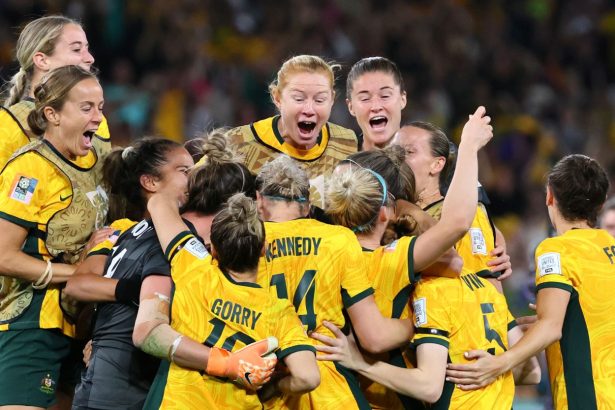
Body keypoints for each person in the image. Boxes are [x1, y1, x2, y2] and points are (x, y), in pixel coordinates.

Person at [313, 107, 540, 409]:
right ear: (386, 209)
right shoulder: (395, 255)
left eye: (407, 151)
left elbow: (530, 371)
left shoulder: (328, 245)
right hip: (401, 389)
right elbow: (378, 338)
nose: (401, 160)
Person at [446, 154, 615, 409]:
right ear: (601, 204)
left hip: (589, 398)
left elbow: (550, 327)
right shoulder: (610, 245)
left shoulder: (556, 250)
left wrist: (498, 364)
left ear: (550, 196)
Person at [253, 154, 415, 409]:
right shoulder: (339, 240)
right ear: (307, 207)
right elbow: (375, 336)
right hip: (333, 387)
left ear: (259, 201)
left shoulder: (244, 243)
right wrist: (419, 323)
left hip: (269, 386)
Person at [142, 191, 320, 409]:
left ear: (213, 250)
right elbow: (308, 377)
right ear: (263, 249)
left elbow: (159, 202)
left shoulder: (194, 266)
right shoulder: (279, 310)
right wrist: (274, 387)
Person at [0, 65, 108, 409]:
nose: (97, 117)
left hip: (83, 326)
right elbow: (3, 256)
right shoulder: (29, 170)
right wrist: (78, 272)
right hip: (32, 325)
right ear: (52, 114)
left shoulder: (98, 158)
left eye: (101, 107)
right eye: (86, 108)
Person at [63, 138, 193, 409]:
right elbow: (77, 284)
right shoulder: (121, 230)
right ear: (150, 182)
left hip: (125, 368)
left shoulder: (187, 232)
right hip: (119, 369)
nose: (194, 179)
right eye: (184, 171)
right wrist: (139, 290)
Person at [391, 121, 512, 291]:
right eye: (394, 152)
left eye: (409, 152)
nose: (397, 158)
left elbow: (488, 292)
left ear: (437, 164)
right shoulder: (389, 214)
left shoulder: (467, 214)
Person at [225, 54, 358, 209]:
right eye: (299, 99)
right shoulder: (239, 143)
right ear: (277, 98)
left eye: (320, 100)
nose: (309, 109)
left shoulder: (346, 142)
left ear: (332, 99)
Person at [0, 15, 111, 169]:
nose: (90, 58)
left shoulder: (97, 118)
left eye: (87, 49)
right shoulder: (7, 125)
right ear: (42, 60)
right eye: (77, 49)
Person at [345, 57, 407, 151]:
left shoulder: (427, 161)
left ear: (402, 99)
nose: (376, 107)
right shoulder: (337, 163)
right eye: (365, 99)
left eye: (385, 96)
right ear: (351, 107)